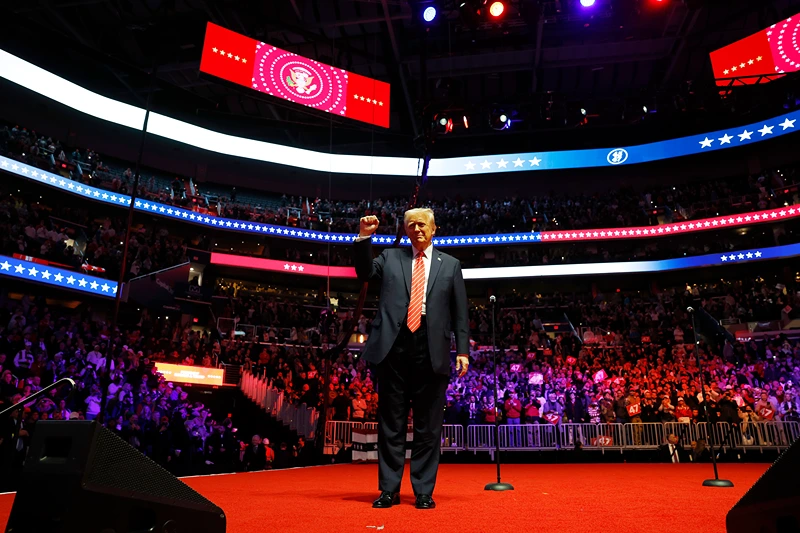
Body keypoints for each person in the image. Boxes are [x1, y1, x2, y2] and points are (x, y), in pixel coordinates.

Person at [354, 209, 470, 510]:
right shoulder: (390, 258)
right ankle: (389, 490)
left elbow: (460, 312)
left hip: (433, 350)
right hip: (393, 348)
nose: (417, 229)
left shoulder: (452, 265)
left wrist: (463, 351)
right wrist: (365, 237)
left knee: (428, 427)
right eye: (411, 225)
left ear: (434, 228)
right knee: (390, 425)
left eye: (422, 224)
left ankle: (423, 491)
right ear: (405, 231)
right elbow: (364, 273)